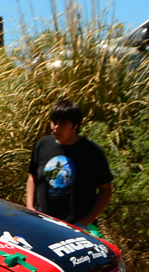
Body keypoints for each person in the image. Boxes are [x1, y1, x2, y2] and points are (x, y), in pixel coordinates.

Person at [25, 100, 113, 235]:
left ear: (76, 126)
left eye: (63, 124)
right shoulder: (43, 145)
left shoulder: (92, 152)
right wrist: (30, 208)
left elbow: (106, 190)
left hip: (76, 229)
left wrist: (85, 222)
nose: (56, 128)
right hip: (42, 223)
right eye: (54, 122)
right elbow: (33, 177)